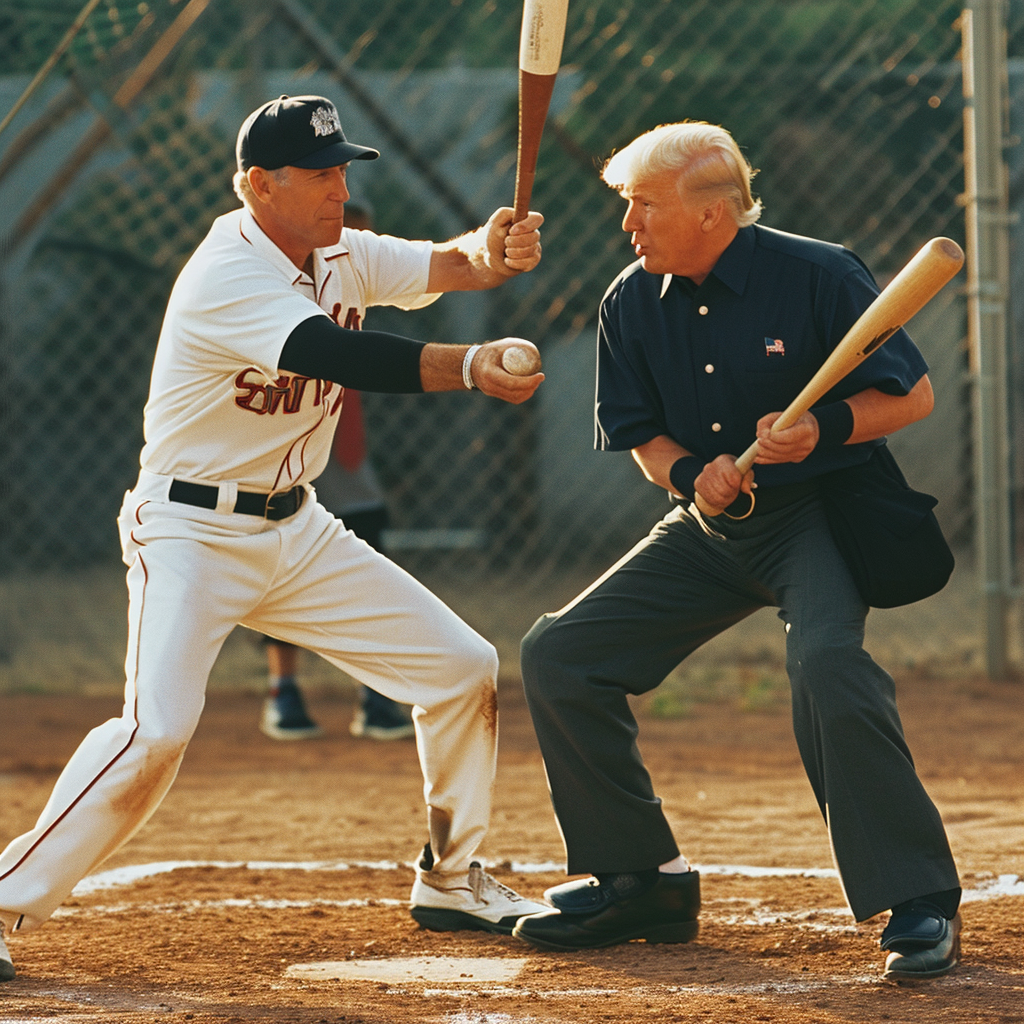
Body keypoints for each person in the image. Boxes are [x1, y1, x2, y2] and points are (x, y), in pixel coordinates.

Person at [0, 94, 551, 983]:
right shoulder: (228, 271)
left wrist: (493, 251)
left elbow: (445, 265)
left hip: (298, 529)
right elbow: (336, 356)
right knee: (157, 731)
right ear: (260, 185)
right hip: (189, 531)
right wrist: (470, 367)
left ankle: (452, 879)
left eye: (343, 171)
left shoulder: (338, 249)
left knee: (460, 668)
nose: (341, 189)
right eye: (323, 174)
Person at [511, 121, 962, 982]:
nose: (627, 224)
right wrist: (692, 477)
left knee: (829, 662)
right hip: (713, 527)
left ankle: (917, 900)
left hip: (816, 517)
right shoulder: (631, 299)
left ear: (712, 213)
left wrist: (820, 429)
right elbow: (644, 438)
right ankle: (641, 878)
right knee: (561, 654)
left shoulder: (821, 275)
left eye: (642, 205)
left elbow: (913, 397)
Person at [259, 199, 414, 743]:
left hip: (338, 433)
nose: (354, 249)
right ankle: (284, 690)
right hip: (281, 439)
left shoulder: (350, 279)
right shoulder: (270, 278)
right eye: (349, 236)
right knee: (278, 562)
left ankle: (375, 694)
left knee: (368, 532)